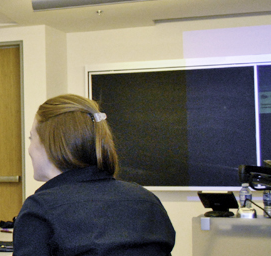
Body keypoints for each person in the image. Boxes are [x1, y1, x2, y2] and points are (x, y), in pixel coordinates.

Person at [13, 94, 176, 256]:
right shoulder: (148, 201)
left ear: (49, 144)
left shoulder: (40, 209)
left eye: (31, 138)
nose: (29, 149)